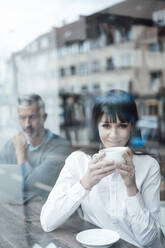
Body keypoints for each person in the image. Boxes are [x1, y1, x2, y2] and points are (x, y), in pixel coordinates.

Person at [40, 89, 161, 248]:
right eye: (106, 125)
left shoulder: (148, 166)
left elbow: (150, 240)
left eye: (122, 126)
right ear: (96, 127)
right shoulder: (79, 161)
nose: (113, 135)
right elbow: (48, 222)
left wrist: (131, 188)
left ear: (131, 127)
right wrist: (85, 183)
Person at [0, 94, 72, 202]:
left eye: (32, 117)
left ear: (44, 117)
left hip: (44, 214)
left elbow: (35, 185)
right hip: (13, 211)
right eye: (22, 118)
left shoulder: (60, 147)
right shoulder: (10, 145)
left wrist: (20, 153)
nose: (27, 124)